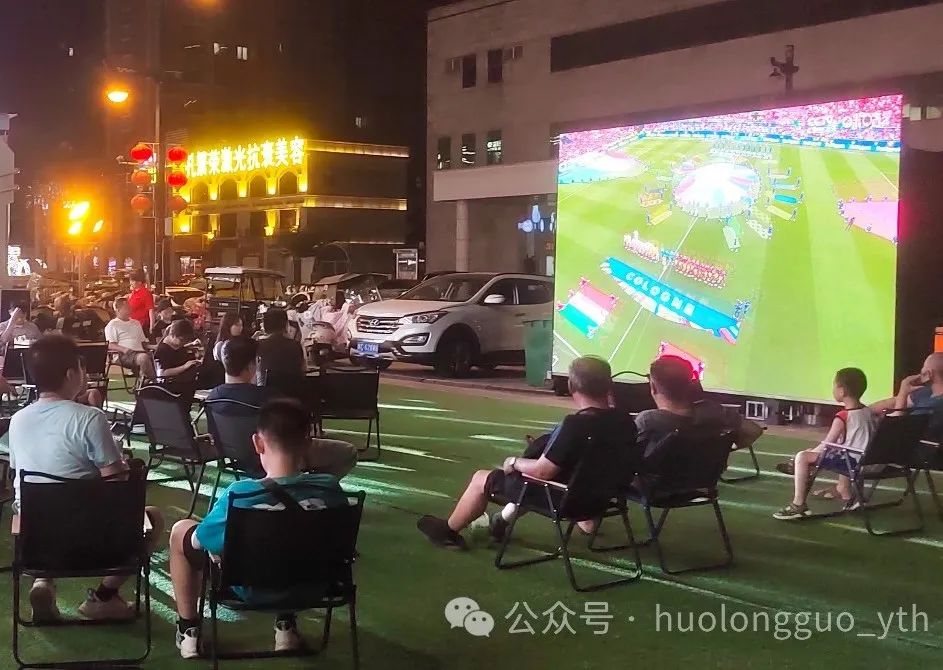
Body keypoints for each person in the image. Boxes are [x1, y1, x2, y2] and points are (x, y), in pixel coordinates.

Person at [168, 399, 351, 659]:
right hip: (314, 586)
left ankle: (188, 632)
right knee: (292, 539)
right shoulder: (329, 488)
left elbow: (201, 541)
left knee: (181, 531)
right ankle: (286, 628)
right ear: (309, 444)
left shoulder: (241, 494)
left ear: (258, 443)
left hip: (251, 588)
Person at [8, 335, 164, 622]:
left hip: (35, 537)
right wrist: (125, 465)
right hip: (90, 540)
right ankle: (103, 598)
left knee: (49, 504)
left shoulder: (18, 420)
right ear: (71, 374)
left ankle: (43, 581)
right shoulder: (89, 418)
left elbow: (25, 474)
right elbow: (116, 486)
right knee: (152, 517)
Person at [416, 356, 637, 549]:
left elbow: (542, 472)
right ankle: (581, 522)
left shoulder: (576, 425)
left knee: (481, 479)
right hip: (601, 500)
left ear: (571, 386)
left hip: (566, 500)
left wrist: (514, 462)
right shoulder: (626, 421)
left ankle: (448, 532)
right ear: (608, 385)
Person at [207, 336, 357, 478]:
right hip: (281, 456)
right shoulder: (269, 398)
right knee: (347, 451)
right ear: (253, 363)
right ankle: (312, 487)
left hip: (235, 458)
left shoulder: (212, 398)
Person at [774, 368, 878, 520]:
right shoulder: (868, 412)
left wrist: (812, 452)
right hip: (872, 462)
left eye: (834, 385)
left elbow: (827, 444)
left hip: (854, 463)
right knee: (820, 453)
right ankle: (855, 497)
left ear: (842, 391)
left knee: (803, 457)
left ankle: (798, 504)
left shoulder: (843, 416)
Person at [870, 352, 943, 432]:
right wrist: (865, 412)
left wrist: (903, 391)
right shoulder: (925, 391)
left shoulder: (934, 406)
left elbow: (896, 426)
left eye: (924, 367)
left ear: (929, 374)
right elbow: (891, 402)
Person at [105, 297, 156, 381]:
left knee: (158, 354)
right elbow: (110, 345)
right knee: (144, 358)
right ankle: (147, 381)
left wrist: (155, 347)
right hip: (123, 355)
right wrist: (124, 349)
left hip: (140, 352)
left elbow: (143, 343)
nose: (129, 309)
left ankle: (153, 381)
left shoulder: (136, 323)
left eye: (129, 307)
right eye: (126, 308)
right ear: (117, 310)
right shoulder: (112, 325)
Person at [256, 308, 306, 385]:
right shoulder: (295, 346)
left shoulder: (259, 345)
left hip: (267, 390)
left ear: (265, 325)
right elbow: (303, 369)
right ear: (286, 324)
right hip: (293, 390)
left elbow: (257, 375)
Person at [154, 319, 200, 388]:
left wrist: (191, 345)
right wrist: (184, 366)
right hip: (173, 383)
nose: (185, 342)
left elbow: (177, 351)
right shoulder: (162, 350)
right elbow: (162, 373)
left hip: (186, 377)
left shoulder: (176, 344)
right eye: (182, 340)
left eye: (187, 340)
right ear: (173, 335)